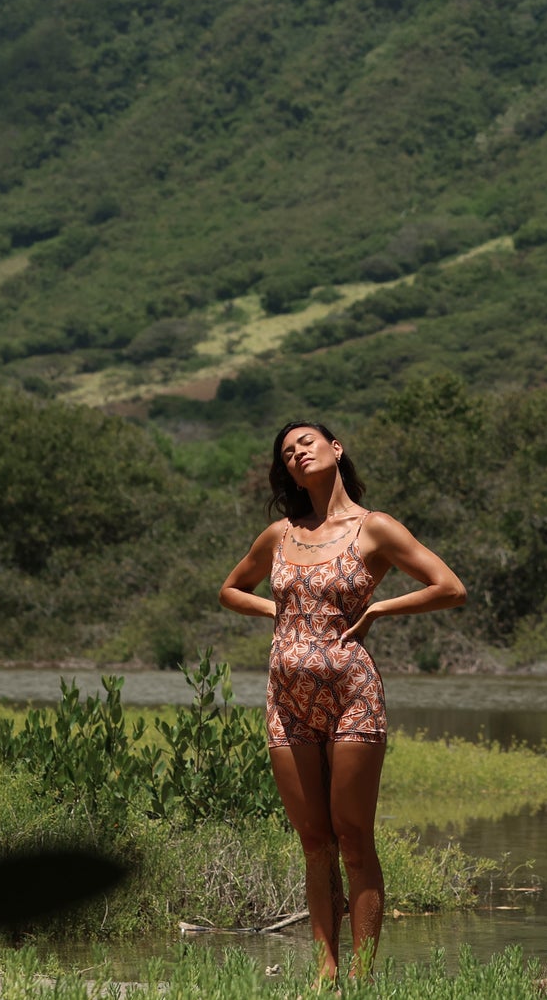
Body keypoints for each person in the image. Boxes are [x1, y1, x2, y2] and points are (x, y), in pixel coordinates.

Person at [219, 420, 466, 986]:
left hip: (352, 694)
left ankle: (361, 977)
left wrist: (381, 609)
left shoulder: (373, 528)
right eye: (287, 452)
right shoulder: (278, 535)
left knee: (353, 837)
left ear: (335, 449)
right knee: (314, 841)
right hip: (287, 701)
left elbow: (449, 586)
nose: (297, 453)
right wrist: (272, 614)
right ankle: (324, 972)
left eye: (306, 442)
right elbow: (231, 589)